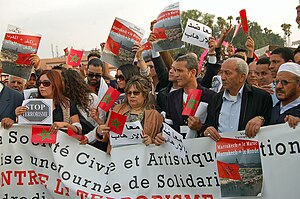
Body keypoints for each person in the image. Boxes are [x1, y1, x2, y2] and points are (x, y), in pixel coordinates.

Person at [203, 57, 272, 141]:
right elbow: (209, 124)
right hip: (220, 149)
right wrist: (208, 130)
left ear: (242, 77)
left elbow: (271, 124)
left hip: (249, 150)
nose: (223, 77)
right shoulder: (216, 98)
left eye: (228, 73)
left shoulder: (261, 97)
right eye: (222, 72)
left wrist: (261, 119)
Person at [97, 75, 163, 154]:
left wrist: (151, 141)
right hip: (118, 156)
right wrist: (100, 132)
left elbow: (161, 143)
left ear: (145, 95)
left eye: (136, 93)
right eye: (129, 93)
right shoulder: (118, 109)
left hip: (143, 158)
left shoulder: (154, 115)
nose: (132, 96)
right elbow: (108, 136)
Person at [161, 54, 215, 138]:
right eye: (175, 71)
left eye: (180, 71)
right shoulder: (172, 96)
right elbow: (169, 125)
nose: (176, 75)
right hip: (179, 147)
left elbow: (216, 126)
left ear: (193, 72)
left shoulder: (211, 96)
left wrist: (201, 127)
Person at [15, 70, 82, 134]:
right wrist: (18, 115)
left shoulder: (67, 103)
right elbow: (23, 128)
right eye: (39, 83)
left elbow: (78, 129)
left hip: (60, 143)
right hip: (37, 144)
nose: (41, 86)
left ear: (55, 84)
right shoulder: (31, 103)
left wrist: (65, 125)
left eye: (46, 83)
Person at [61, 69, 107, 151]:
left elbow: (100, 124)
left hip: (92, 147)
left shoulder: (91, 98)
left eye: (62, 81)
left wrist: (88, 137)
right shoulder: (63, 102)